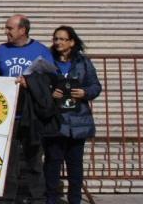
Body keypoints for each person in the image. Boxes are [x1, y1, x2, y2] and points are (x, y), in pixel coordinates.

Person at [0, 14, 56, 204]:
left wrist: (31, 83)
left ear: (23, 30)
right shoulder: (2, 50)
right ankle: (8, 198)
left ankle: (37, 198)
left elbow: (51, 80)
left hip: (31, 113)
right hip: (9, 113)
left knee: (34, 159)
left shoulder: (41, 50)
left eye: (10, 28)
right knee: (8, 162)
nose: (6, 32)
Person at [44, 26, 101, 204]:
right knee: (52, 162)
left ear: (72, 42)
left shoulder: (83, 62)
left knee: (75, 165)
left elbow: (95, 86)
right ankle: (51, 199)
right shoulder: (47, 61)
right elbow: (39, 85)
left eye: (62, 39)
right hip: (55, 121)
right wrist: (50, 92)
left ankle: (74, 199)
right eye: (56, 39)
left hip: (78, 121)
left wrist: (84, 92)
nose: (58, 42)